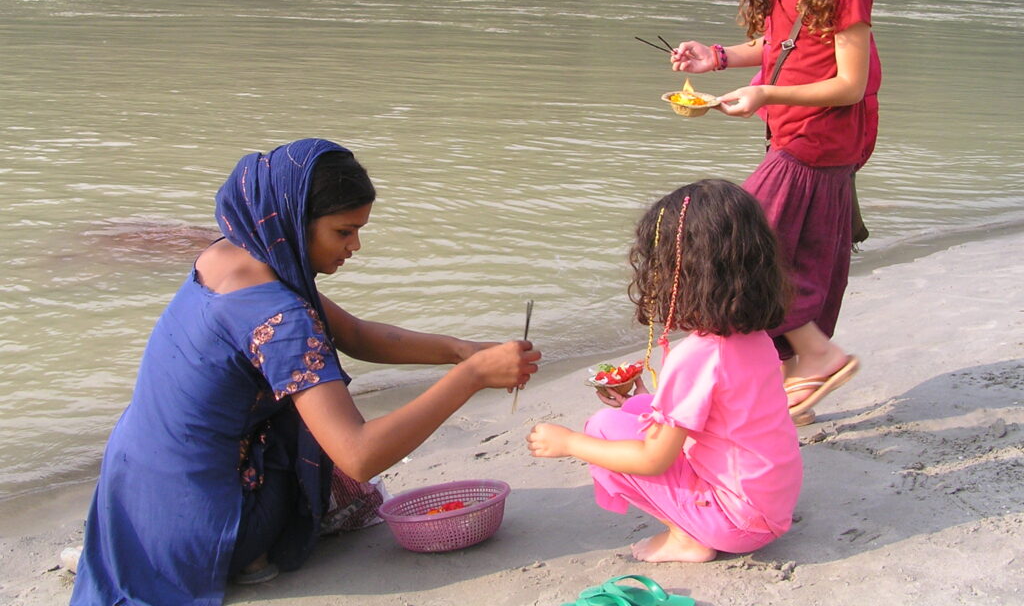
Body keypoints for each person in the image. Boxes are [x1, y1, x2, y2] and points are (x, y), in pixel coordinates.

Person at [70, 138, 540, 606]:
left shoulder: (232, 255)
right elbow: (359, 454)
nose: (355, 246)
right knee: (322, 422)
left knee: (309, 391)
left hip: (128, 502)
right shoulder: (281, 317)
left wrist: (462, 350)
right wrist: (473, 376)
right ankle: (250, 552)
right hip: (199, 531)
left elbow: (353, 333)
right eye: (343, 232)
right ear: (296, 221)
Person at [669, 0, 878, 423]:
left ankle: (817, 355)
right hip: (792, 139)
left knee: (735, 248)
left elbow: (849, 84)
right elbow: (781, 46)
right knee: (792, 259)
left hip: (817, 144)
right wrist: (716, 57)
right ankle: (791, 388)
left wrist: (765, 93)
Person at [527, 180, 801, 563]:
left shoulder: (700, 355)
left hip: (737, 524)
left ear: (679, 273)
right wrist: (641, 403)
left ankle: (685, 537)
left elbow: (652, 460)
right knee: (635, 412)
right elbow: (725, 414)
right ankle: (693, 524)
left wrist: (568, 443)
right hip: (771, 506)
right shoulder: (755, 339)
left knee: (602, 427)